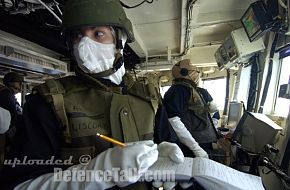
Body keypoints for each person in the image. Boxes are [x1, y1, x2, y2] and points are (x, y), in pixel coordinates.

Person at [0, 1, 201, 190]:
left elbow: (167, 147)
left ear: (119, 40)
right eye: (77, 36)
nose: (84, 45)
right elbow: (20, 185)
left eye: (98, 33)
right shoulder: (49, 101)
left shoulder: (148, 96)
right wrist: (97, 173)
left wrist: (168, 163)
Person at [163, 59, 218, 158]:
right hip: (191, 146)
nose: (197, 75)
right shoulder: (178, 90)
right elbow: (173, 120)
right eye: (195, 72)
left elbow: (210, 111)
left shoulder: (194, 90)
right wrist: (195, 148)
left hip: (201, 141)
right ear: (185, 73)